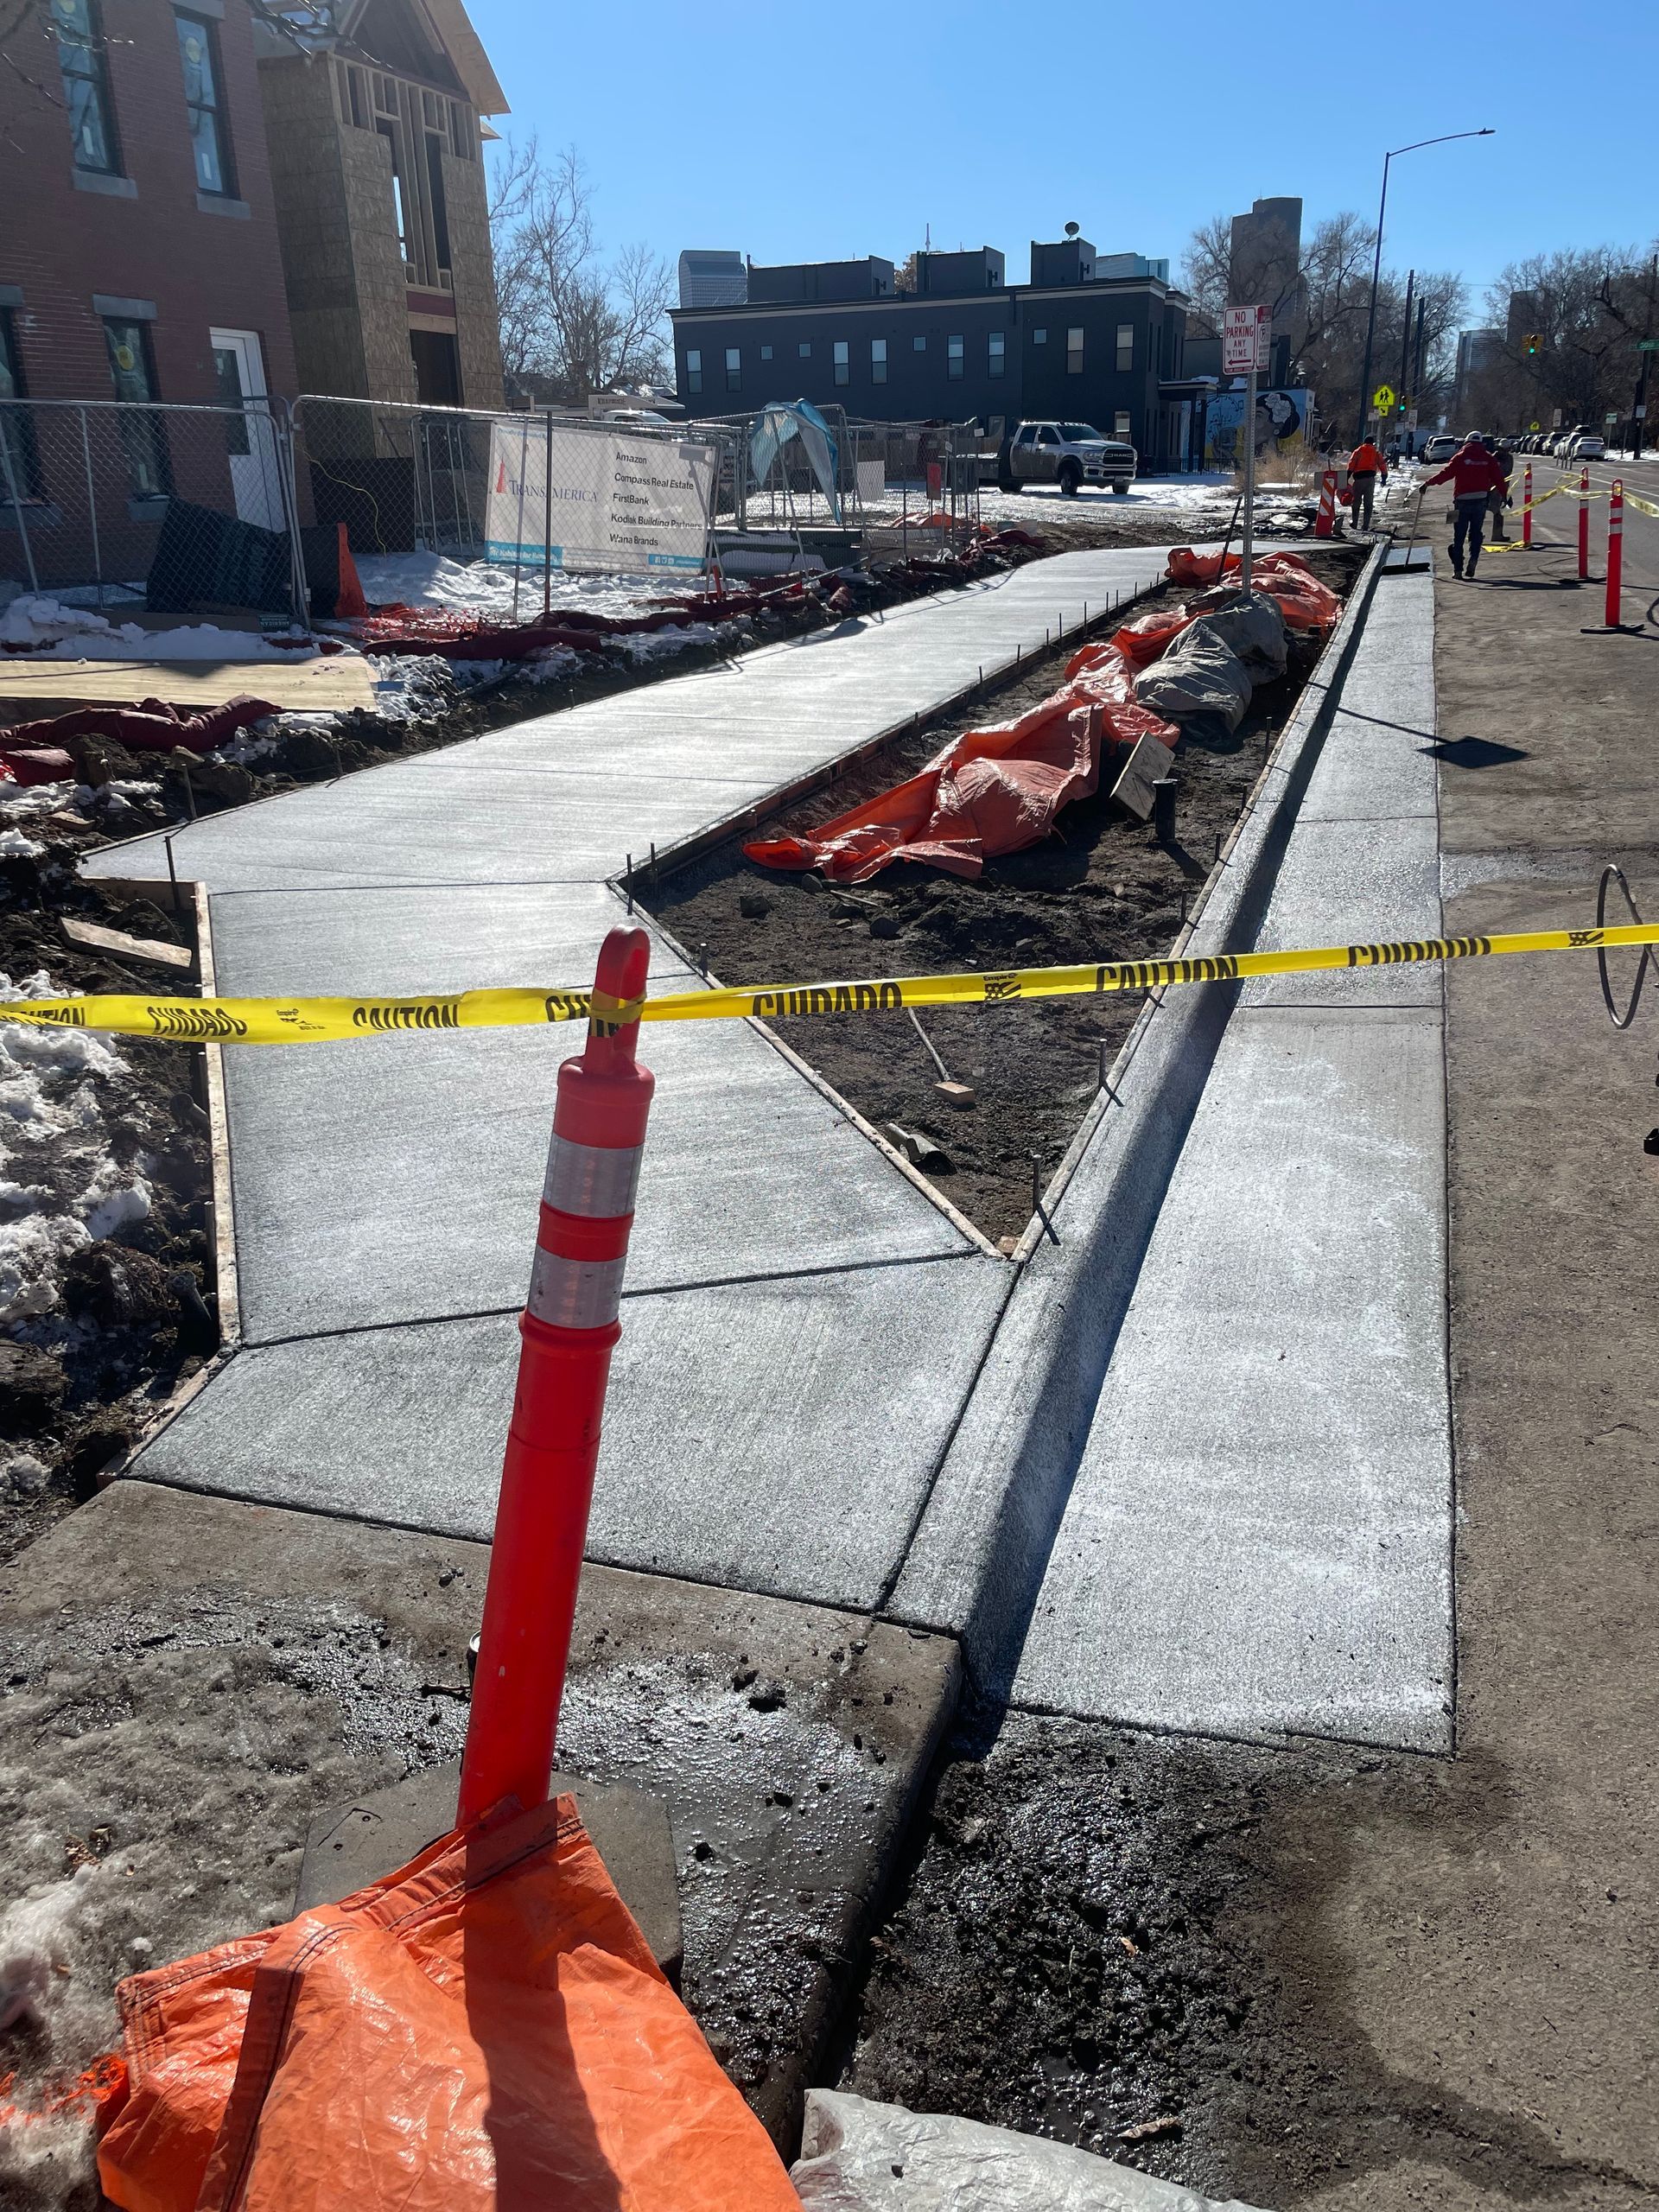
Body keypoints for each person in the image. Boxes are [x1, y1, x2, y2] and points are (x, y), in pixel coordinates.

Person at [1426, 434, 1510, 578]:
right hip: (1481, 500)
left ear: (1467, 442)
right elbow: (1498, 479)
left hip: (1462, 501)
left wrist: (1427, 483)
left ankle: (1458, 571)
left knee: (1459, 536)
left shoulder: (1461, 457)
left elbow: (1446, 474)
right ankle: (1474, 559)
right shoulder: (1488, 458)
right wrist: (1505, 495)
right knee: (1476, 533)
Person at [1345, 436, 1389, 532]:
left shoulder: (1358, 451)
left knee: (1356, 502)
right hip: (1370, 480)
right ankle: (1365, 526)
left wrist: (1346, 479)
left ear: (1364, 442)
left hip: (1359, 480)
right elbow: (1382, 465)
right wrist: (1384, 477)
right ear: (1372, 443)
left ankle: (1355, 523)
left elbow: (1351, 466)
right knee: (1368, 504)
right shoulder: (1376, 453)